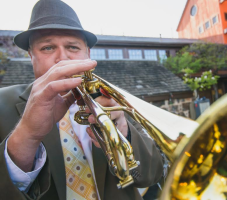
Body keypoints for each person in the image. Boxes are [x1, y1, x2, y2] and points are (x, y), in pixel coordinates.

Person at [0, 0, 163, 199]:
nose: (63, 58)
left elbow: (151, 175)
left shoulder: (114, 101)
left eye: (73, 47)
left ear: (88, 54)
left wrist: (123, 133)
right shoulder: (2, 102)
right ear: (31, 55)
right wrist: (27, 135)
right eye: (47, 48)